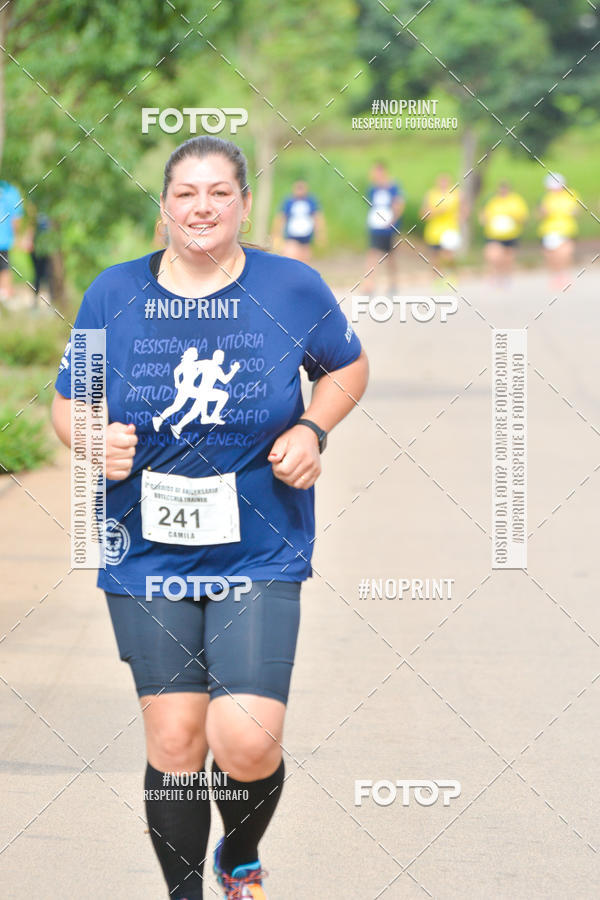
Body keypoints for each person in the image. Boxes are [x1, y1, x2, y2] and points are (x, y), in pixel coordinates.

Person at [51, 135, 369, 900]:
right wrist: (92, 438)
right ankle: (188, 891)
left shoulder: (292, 288)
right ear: (164, 206)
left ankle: (242, 855)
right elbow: (70, 401)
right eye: (186, 193)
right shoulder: (113, 294)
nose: (202, 207)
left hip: (258, 545)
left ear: (245, 204)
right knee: (176, 740)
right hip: (147, 552)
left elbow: (347, 366)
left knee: (247, 739)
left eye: (218, 192)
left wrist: (312, 428)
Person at [364, 161, 404, 294]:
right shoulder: (372, 189)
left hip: (389, 227)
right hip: (376, 226)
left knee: (390, 257)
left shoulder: (393, 187)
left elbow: (398, 204)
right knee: (373, 253)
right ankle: (369, 285)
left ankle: (393, 283)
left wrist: (393, 221)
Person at [480, 181, 529, 286]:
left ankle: (505, 276)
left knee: (508, 258)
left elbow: (523, 217)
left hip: (511, 235)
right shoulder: (493, 202)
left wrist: (515, 218)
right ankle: (494, 275)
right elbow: (484, 216)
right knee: (493, 256)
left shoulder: (516, 201)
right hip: (494, 235)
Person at [538, 172, 580, 289]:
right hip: (549, 230)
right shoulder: (546, 197)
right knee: (551, 256)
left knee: (565, 254)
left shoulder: (571, 195)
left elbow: (576, 210)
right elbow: (540, 213)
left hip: (566, 230)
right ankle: (555, 276)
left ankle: (564, 275)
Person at [271, 179, 325, 263]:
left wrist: (320, 234)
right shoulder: (289, 202)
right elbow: (281, 218)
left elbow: (317, 218)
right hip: (292, 236)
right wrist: (277, 235)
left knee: (305, 262)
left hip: (307, 237)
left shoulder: (311, 201)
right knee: (291, 257)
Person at [420, 173, 462, 270]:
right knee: (435, 258)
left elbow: (464, 210)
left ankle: (451, 275)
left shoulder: (456, 194)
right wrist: (437, 212)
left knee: (448, 256)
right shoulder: (431, 194)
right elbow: (423, 214)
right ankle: (436, 280)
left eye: (445, 181)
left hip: (450, 230)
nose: (443, 184)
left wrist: (461, 217)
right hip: (434, 232)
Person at [0, 179, 23, 303]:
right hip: (3, 239)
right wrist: (17, 236)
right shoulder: (11, 191)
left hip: (3, 239)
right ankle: (4, 298)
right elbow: (16, 218)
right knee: (4, 268)